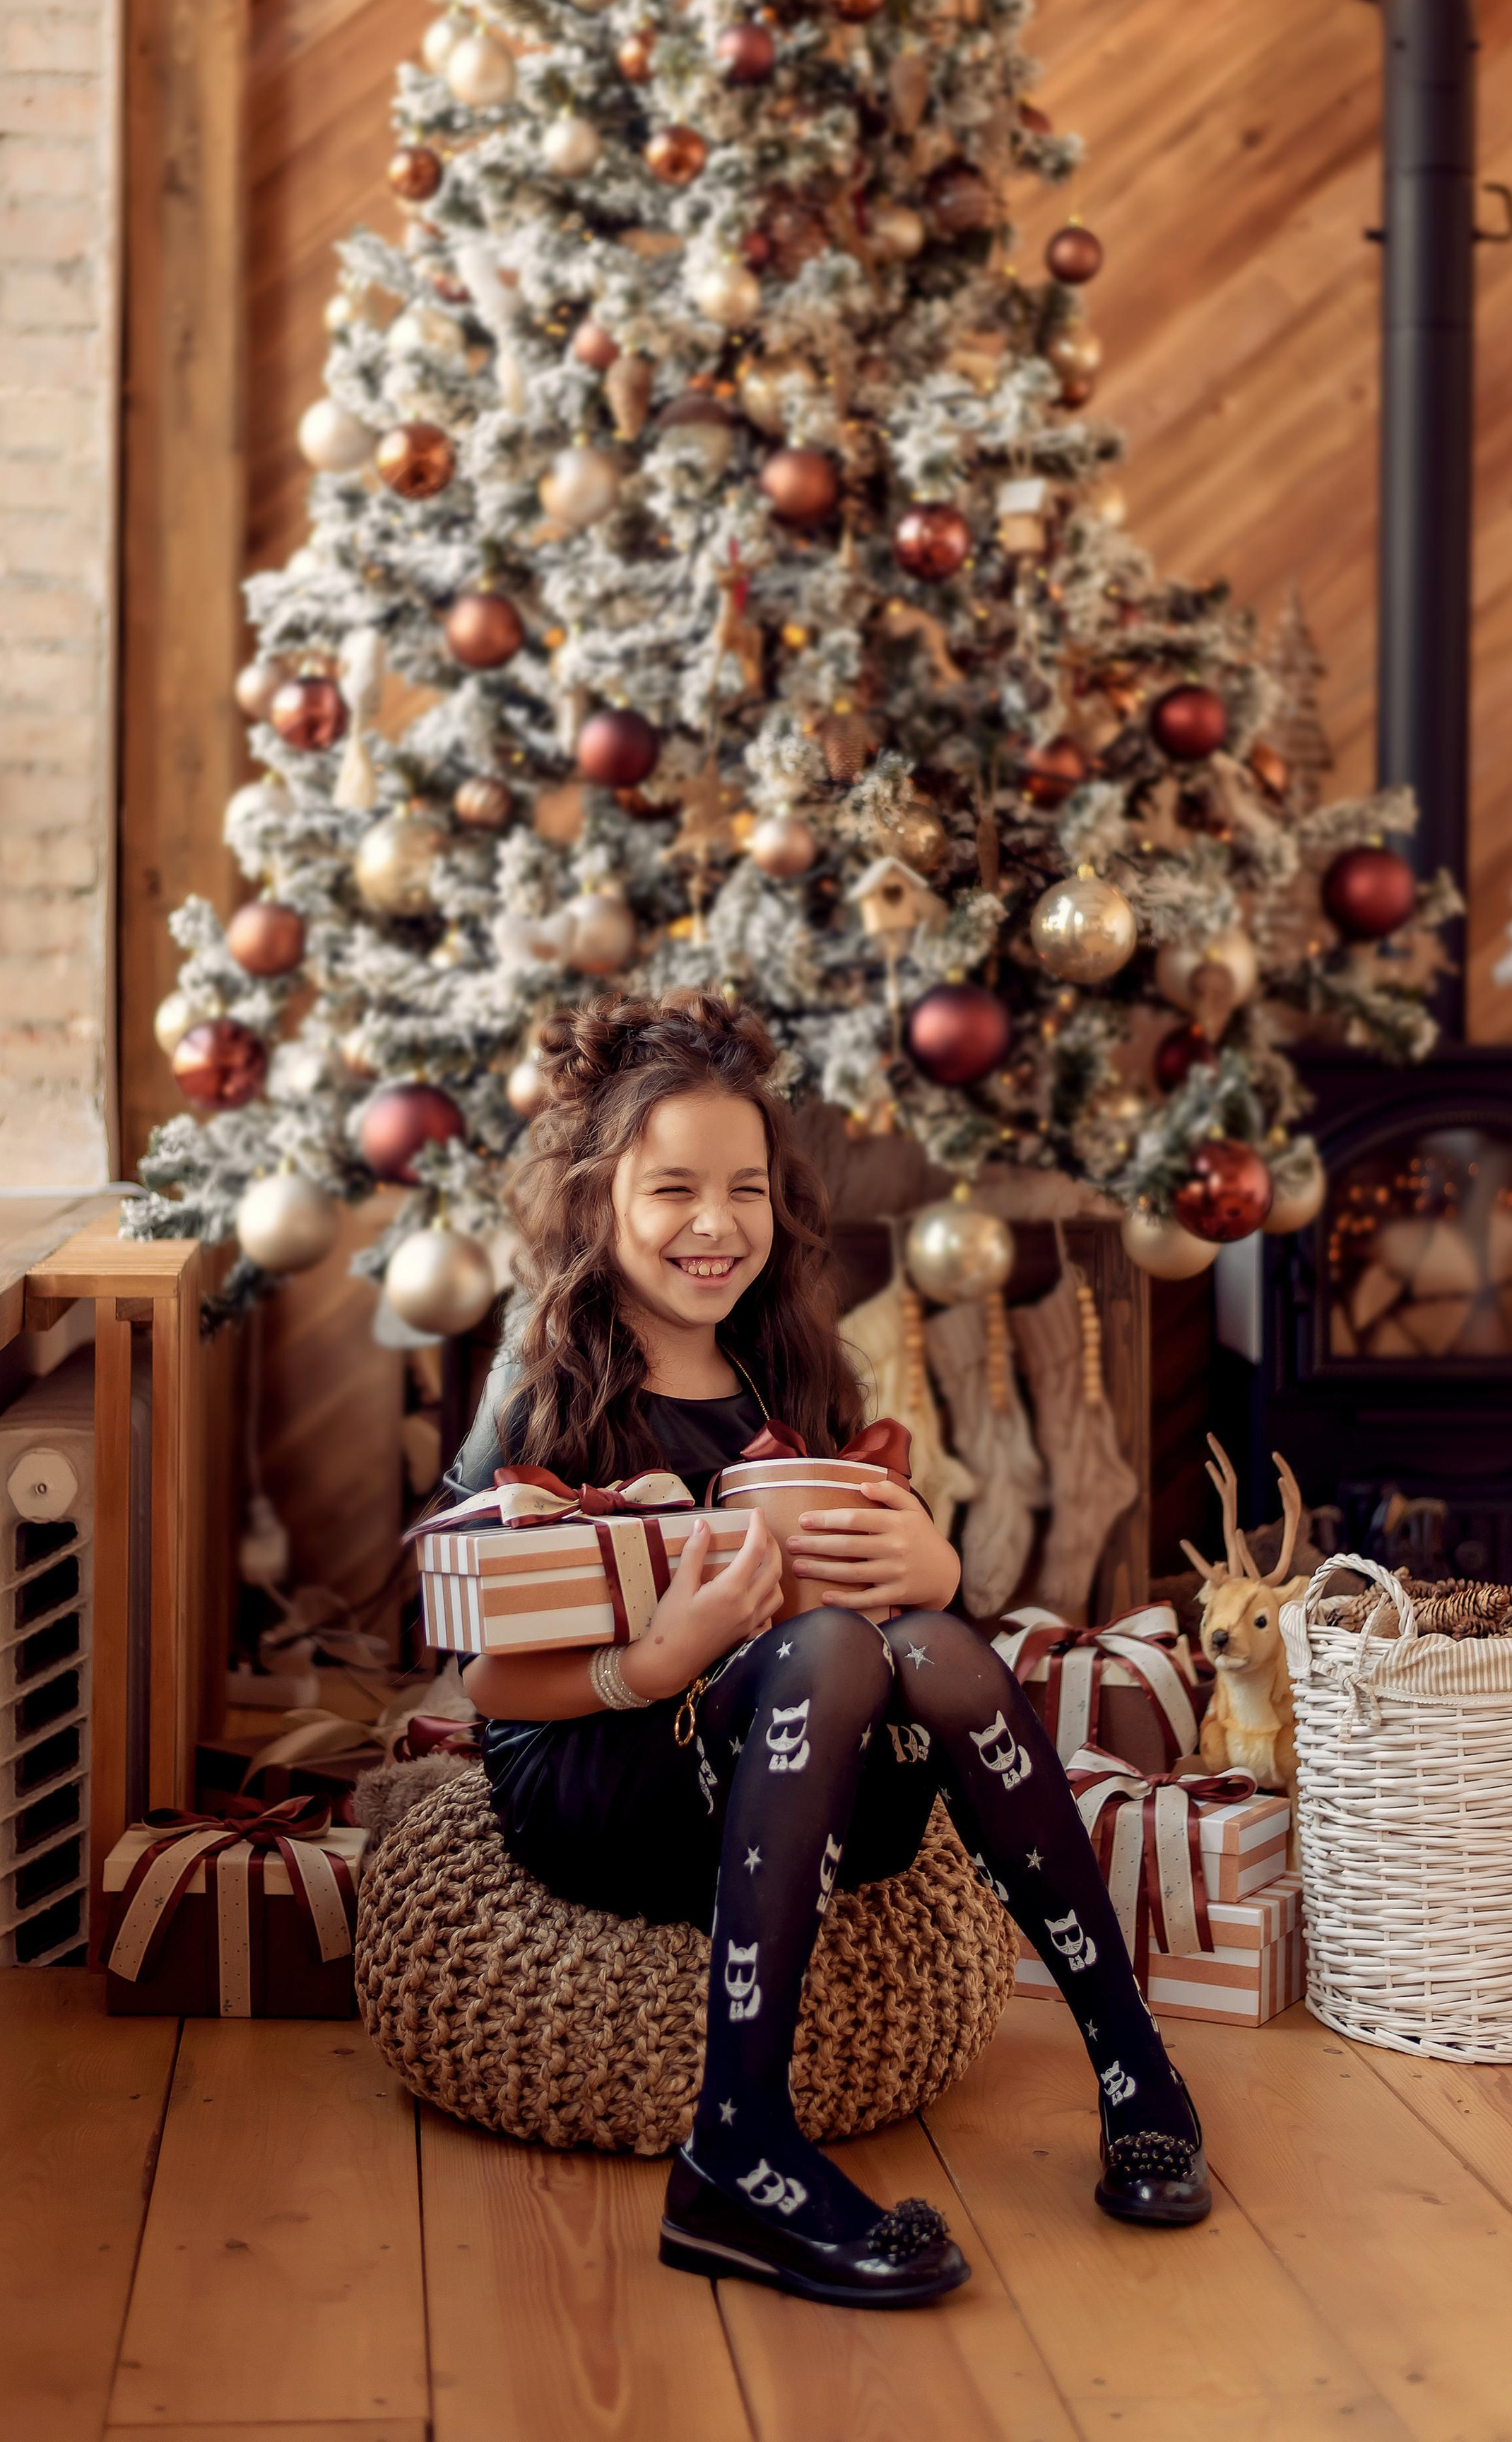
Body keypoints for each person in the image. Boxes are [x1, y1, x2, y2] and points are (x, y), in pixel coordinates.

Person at [453, 989, 1207, 2309]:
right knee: (832, 1656)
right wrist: (666, 1653)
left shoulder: (794, 1373)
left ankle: (1134, 2059)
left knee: (928, 1643)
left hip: (795, 1759)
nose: (715, 1224)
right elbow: (484, 1676)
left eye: (745, 1188)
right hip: (604, 1774)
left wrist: (941, 1564)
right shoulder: (545, 1378)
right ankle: (736, 2146)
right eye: (672, 1187)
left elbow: (878, 1591)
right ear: (594, 1199)